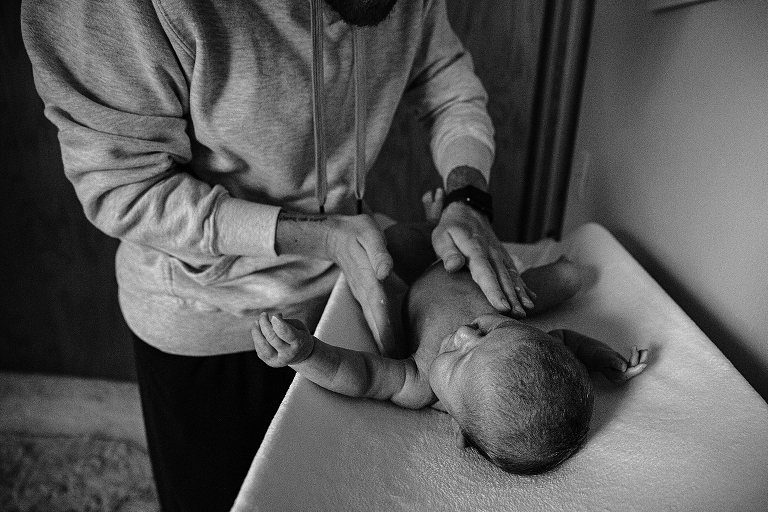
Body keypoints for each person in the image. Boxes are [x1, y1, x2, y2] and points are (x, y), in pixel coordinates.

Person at [21, 0, 537, 508]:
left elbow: (447, 78)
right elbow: (126, 190)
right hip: (210, 312)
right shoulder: (112, 12)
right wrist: (324, 238)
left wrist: (467, 199)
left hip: (345, 298)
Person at [253, 214, 650, 474]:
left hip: (421, 280)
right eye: (489, 332)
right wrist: (598, 356)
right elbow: (563, 341)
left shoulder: (421, 384)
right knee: (564, 280)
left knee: (397, 239)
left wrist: (306, 354)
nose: (463, 334)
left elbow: (360, 374)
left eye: (458, 358)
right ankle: (559, 271)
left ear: (460, 424)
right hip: (504, 292)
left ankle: (429, 222)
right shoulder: (517, 340)